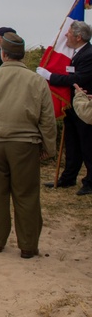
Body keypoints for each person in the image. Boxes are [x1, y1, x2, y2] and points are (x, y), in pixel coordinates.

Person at [0, 32, 56, 258]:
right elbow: (47, 118)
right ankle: (27, 246)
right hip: (25, 145)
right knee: (26, 195)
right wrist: (49, 147)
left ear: (3, 54)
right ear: (22, 55)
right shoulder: (37, 81)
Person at [37, 20, 92, 195]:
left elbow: (77, 79)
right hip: (72, 106)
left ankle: (90, 182)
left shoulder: (89, 54)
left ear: (79, 37)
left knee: (87, 145)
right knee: (72, 144)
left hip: (85, 107)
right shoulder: (77, 53)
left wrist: (51, 76)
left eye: (69, 33)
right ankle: (68, 178)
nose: (65, 35)